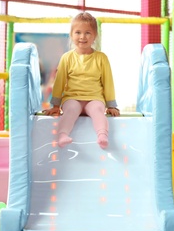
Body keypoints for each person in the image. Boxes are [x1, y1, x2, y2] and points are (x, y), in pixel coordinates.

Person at [43, 12, 120, 149]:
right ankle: (62, 135)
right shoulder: (67, 58)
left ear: (95, 35)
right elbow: (59, 82)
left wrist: (111, 105)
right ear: (71, 35)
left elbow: (108, 82)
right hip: (72, 98)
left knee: (97, 111)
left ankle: (102, 135)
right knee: (70, 110)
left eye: (88, 33)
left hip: (94, 98)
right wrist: (55, 105)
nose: (82, 37)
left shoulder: (101, 58)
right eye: (78, 32)